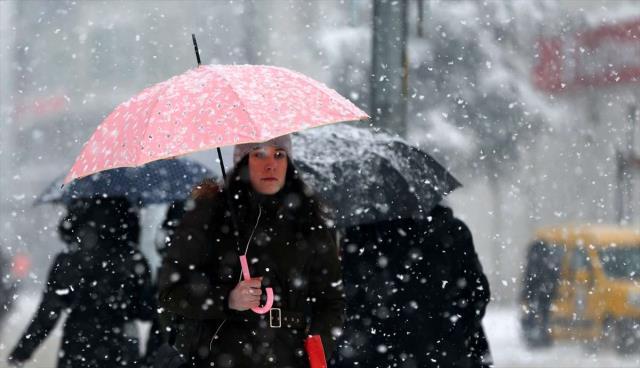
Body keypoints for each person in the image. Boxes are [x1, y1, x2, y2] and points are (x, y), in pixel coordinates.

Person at [158, 135, 345, 368]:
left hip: (288, 356)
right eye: (259, 154)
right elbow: (170, 293)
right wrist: (228, 299)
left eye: (279, 154)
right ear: (242, 162)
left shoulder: (307, 221)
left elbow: (330, 301)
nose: (271, 164)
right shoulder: (211, 217)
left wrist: (316, 353)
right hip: (221, 355)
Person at [334, 204, 492, 368]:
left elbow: (347, 298)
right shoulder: (450, 230)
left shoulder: (360, 237)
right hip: (442, 353)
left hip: (378, 354)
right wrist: (454, 331)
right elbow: (476, 292)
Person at [8, 197, 155, 368]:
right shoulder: (133, 260)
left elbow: (49, 311)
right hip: (121, 347)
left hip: (78, 346)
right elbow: (146, 310)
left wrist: (22, 351)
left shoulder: (70, 260)